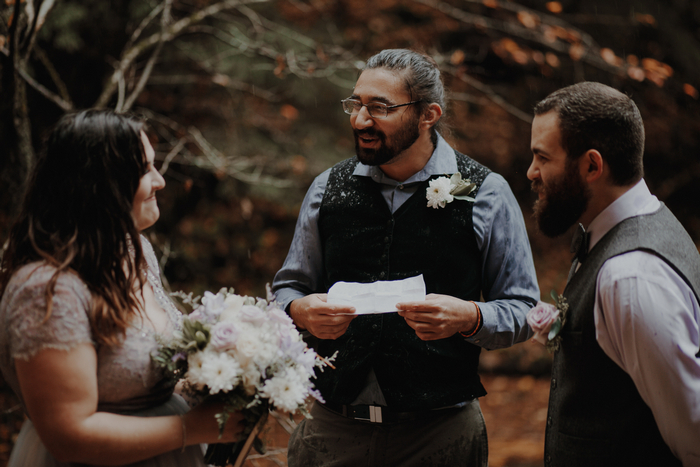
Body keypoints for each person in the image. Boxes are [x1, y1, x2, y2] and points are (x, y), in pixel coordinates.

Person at [272, 48, 539, 466]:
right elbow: (287, 287)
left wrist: (470, 317)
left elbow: (525, 309)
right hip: (331, 427)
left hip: (439, 434)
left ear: (428, 114)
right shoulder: (327, 188)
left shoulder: (484, 192)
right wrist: (300, 309)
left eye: (379, 107)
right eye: (355, 104)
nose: (360, 120)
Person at [0, 109, 244, 466]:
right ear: (99, 184)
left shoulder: (136, 250)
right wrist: (192, 428)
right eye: (145, 169)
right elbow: (70, 433)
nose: (160, 181)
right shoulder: (47, 290)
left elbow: (143, 366)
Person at [527, 81, 700, 466]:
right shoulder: (615, 233)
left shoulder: (632, 277)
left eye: (542, 158)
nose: (531, 172)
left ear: (592, 165)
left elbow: (693, 428)